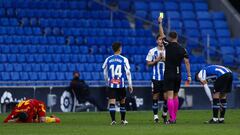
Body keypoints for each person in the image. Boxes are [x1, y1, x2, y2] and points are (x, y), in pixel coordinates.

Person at [158, 16, 191, 124]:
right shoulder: (183, 49)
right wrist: (189, 76)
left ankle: (172, 119)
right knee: (176, 96)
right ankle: (174, 117)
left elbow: (162, 35)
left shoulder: (167, 45)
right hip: (178, 74)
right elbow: (187, 62)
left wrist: (160, 23)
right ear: (177, 37)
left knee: (170, 97)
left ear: (170, 38)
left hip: (169, 73)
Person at [102, 42, 133, 125]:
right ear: (119, 48)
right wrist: (130, 84)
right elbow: (128, 73)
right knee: (122, 102)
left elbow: (104, 72)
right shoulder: (124, 59)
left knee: (112, 102)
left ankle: (113, 121)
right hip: (121, 84)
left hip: (111, 84)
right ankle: (123, 120)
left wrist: (106, 82)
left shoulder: (108, 59)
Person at [146, 34, 168, 124]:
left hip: (166, 78)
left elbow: (172, 63)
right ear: (156, 41)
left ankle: (164, 114)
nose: (161, 41)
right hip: (156, 77)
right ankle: (155, 116)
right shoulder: (152, 51)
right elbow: (148, 63)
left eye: (162, 40)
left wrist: (165, 59)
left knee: (167, 97)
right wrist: (157, 60)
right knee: (156, 96)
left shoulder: (168, 51)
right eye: (159, 39)